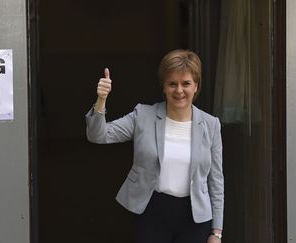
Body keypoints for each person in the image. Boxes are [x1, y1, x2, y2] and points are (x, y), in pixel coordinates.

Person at [85, 49, 224, 243]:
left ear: (196, 86)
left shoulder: (211, 125)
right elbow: (98, 135)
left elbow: (216, 181)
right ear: (164, 87)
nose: (179, 90)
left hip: (195, 217)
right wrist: (101, 100)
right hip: (153, 212)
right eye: (172, 84)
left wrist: (216, 232)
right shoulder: (143, 115)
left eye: (186, 83)